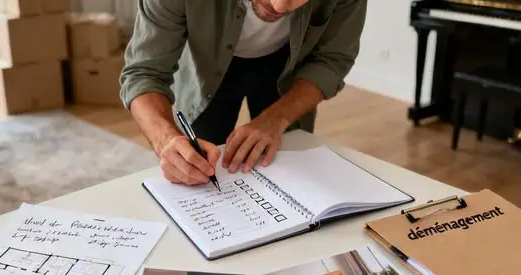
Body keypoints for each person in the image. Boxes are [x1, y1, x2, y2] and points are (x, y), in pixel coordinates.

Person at [120, 0, 365, 185]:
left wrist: (275, 120)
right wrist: (166, 140)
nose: (279, 8)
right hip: (204, 66)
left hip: (289, 65)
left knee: (291, 173)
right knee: (196, 167)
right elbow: (144, 72)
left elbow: (332, 60)